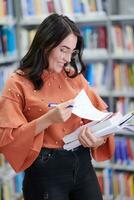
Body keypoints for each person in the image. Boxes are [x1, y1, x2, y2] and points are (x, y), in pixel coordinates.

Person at [0, 13, 114, 200]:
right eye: (63, 50)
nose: (67, 59)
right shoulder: (17, 83)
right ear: (45, 44)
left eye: (72, 52)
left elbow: (101, 116)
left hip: (83, 166)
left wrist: (97, 139)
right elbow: (6, 139)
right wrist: (48, 119)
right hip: (45, 174)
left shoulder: (73, 77)